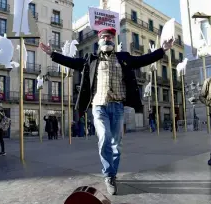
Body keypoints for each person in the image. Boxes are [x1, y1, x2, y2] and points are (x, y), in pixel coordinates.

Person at [40, 27, 173, 195]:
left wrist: (163, 50)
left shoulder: (123, 57)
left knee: (116, 143)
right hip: (99, 106)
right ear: (99, 40)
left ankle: (112, 174)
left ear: (114, 40)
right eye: (104, 36)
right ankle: (108, 175)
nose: (107, 38)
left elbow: (143, 60)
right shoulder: (91, 59)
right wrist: (52, 54)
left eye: (110, 36)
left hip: (117, 106)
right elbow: (72, 63)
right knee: (104, 138)